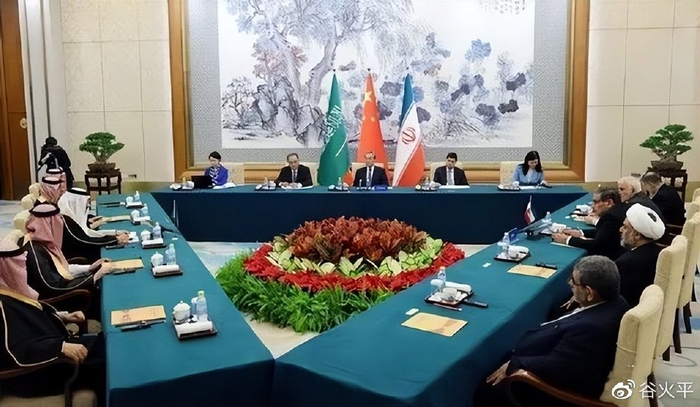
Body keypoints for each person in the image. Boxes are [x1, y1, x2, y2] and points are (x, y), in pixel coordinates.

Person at [477, 256, 629, 407]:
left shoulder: (590, 329)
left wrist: (515, 364)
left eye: (574, 282)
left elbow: (558, 367)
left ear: (589, 292)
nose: (570, 283)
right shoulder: (617, 302)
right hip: (558, 353)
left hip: (548, 390)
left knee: (486, 389)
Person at [0, 241, 105, 403]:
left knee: (107, 343)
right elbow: (13, 350)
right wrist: (59, 347)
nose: (21, 268)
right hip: (38, 371)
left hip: (51, 348)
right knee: (110, 362)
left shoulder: (7, 289)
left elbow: (30, 313)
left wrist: (63, 316)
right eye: (17, 263)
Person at [21, 203, 112, 302]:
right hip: (62, 302)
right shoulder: (34, 251)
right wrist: (94, 277)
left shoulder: (41, 242)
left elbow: (61, 270)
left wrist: (89, 268)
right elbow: (54, 287)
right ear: (49, 225)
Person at [552, 186, 627, 260]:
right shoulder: (616, 212)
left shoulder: (611, 218)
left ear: (609, 202)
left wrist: (567, 239)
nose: (592, 206)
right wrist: (580, 233)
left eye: (595, 202)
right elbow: (606, 234)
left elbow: (597, 245)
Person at [58, 188, 129, 263]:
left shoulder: (72, 215)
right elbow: (86, 241)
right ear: (76, 203)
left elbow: (88, 232)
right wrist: (114, 240)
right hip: (81, 257)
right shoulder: (66, 220)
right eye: (86, 203)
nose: (88, 206)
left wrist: (114, 233)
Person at [615, 204, 665, 307]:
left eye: (625, 227)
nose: (620, 230)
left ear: (637, 235)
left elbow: (620, 300)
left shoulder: (626, 263)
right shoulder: (660, 252)